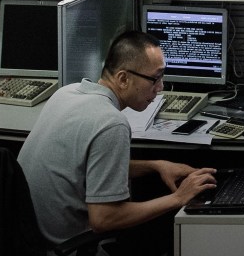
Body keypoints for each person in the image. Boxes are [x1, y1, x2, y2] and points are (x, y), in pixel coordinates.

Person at [18, 31, 215, 252]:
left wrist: (155, 165)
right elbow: (103, 219)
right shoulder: (112, 124)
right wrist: (178, 198)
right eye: (155, 78)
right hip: (68, 248)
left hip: (25, 240)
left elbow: (86, 166)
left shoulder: (66, 93)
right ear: (123, 79)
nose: (160, 87)